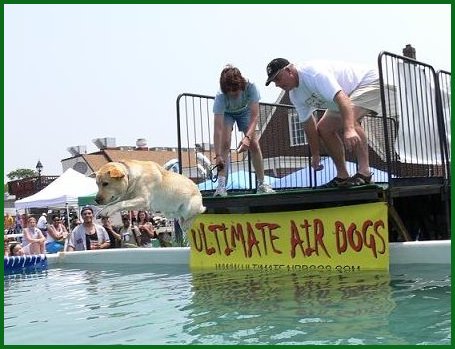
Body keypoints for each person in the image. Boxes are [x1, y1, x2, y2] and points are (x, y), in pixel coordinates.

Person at [265, 58, 381, 188]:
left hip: (369, 81)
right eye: (274, 81)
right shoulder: (295, 96)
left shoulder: (313, 74)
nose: (277, 84)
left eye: (278, 78)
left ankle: (364, 173)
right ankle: (343, 176)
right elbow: (308, 125)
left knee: (349, 119)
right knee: (324, 128)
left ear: (288, 70)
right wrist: (315, 154)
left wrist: (349, 129)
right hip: (346, 97)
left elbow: (342, 99)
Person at [212, 65, 275, 196]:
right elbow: (217, 128)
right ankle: (221, 186)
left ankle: (262, 184)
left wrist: (247, 138)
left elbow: (255, 116)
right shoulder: (220, 97)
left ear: (241, 83)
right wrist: (217, 155)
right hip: (227, 114)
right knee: (225, 143)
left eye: (235, 90)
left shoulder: (251, 86)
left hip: (245, 112)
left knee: (254, 144)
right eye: (229, 91)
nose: (233, 94)